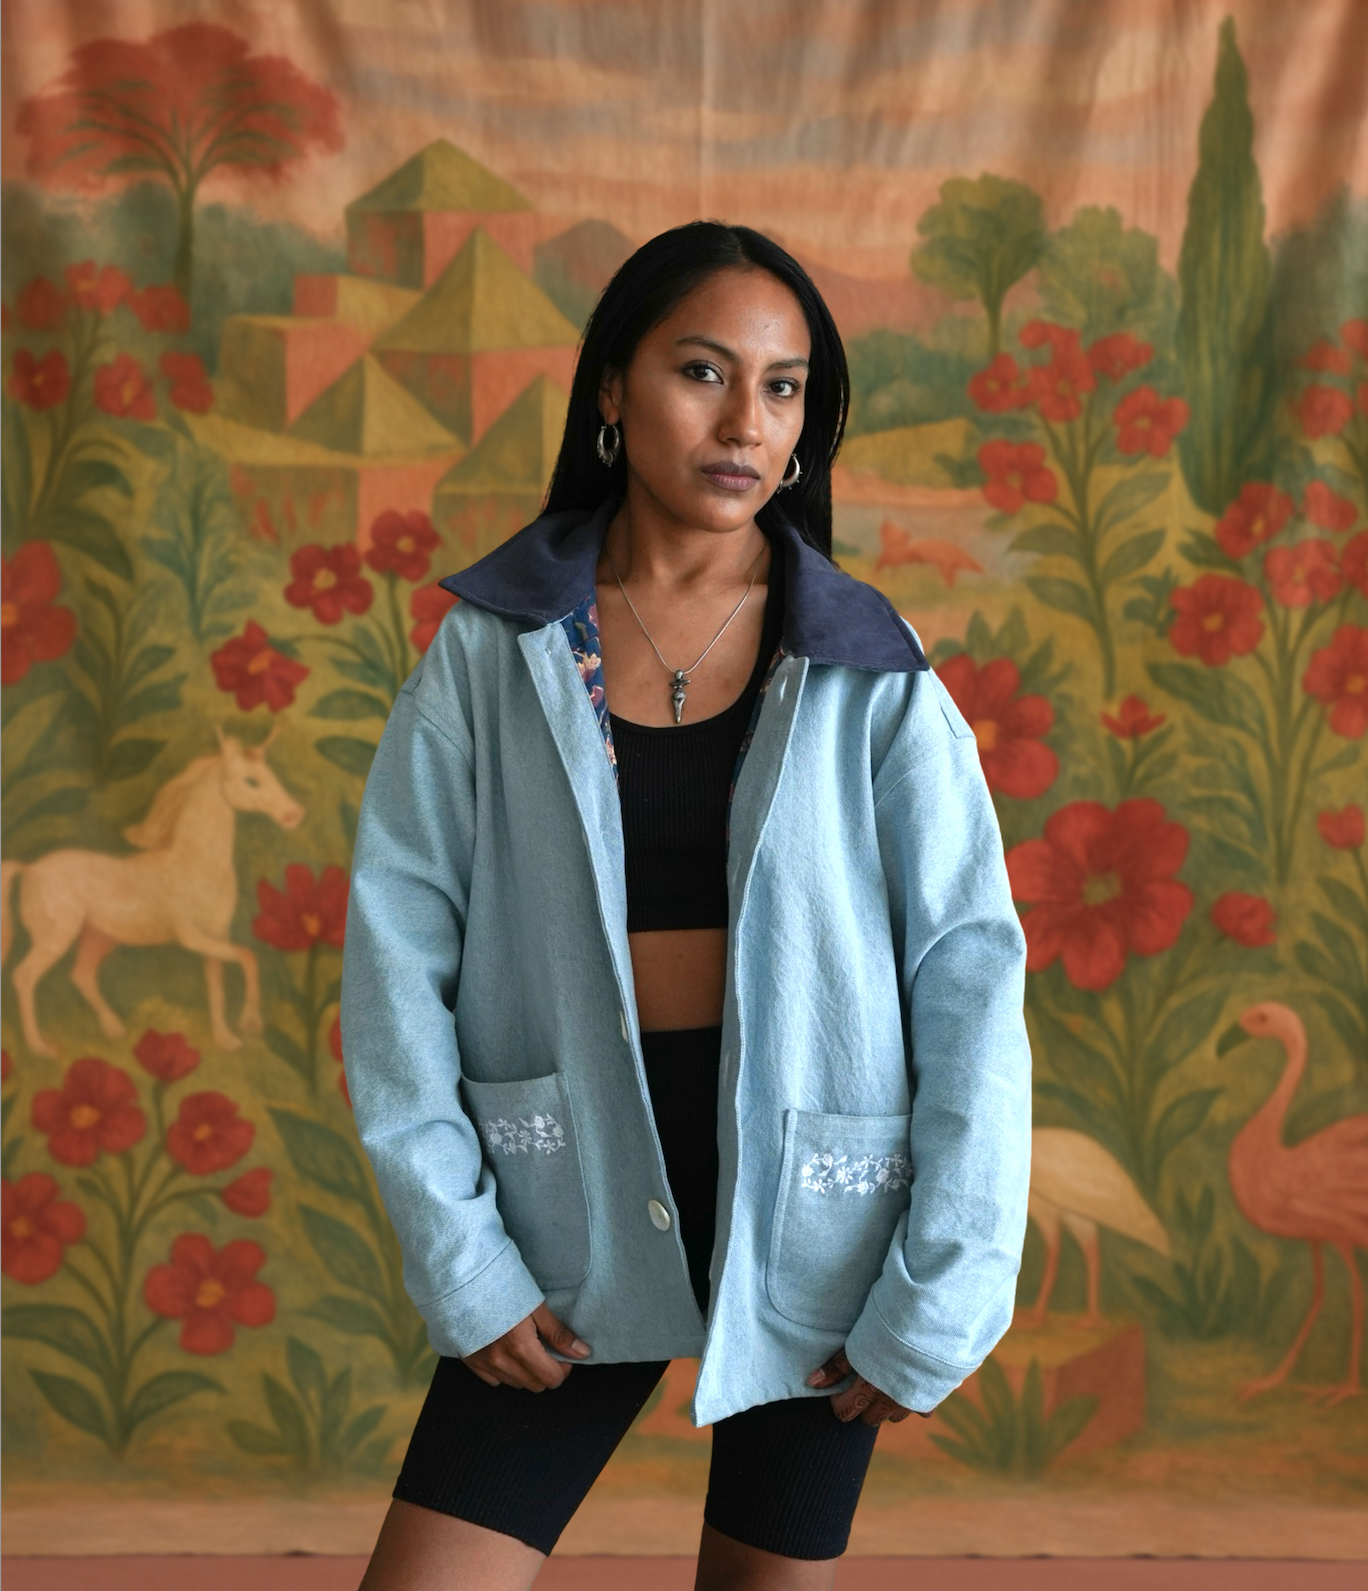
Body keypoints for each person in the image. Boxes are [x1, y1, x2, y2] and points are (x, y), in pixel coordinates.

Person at [339, 221, 1031, 1591]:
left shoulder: (872, 672)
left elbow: (970, 987)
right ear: (611, 388)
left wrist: (939, 1288)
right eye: (702, 371)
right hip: (563, 1186)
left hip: (821, 1202)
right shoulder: (493, 647)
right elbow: (394, 956)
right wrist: (464, 1259)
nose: (744, 421)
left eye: (783, 389)